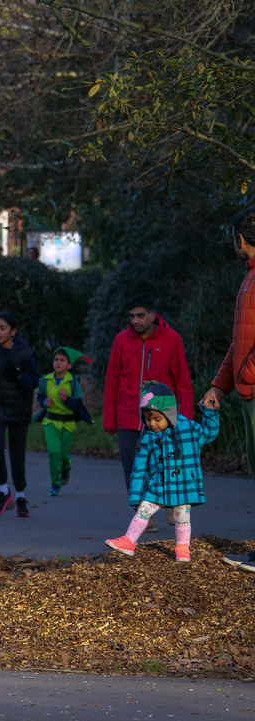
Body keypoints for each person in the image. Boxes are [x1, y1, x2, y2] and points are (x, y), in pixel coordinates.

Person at [103, 294, 194, 531]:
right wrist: (109, 419)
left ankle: (171, 504)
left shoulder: (172, 339)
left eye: (140, 315)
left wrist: (185, 419)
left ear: (153, 315)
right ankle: (144, 515)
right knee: (133, 469)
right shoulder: (121, 340)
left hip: (162, 416)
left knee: (166, 463)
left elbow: (183, 382)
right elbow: (112, 380)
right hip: (127, 416)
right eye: (132, 316)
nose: (135, 320)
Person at [105, 381, 219, 563]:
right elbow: (139, 469)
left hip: (183, 484)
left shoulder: (188, 429)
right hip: (157, 485)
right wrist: (136, 495)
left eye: (157, 419)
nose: (151, 423)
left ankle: (182, 547)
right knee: (143, 510)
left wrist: (210, 412)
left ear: (169, 414)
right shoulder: (147, 437)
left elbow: (209, 433)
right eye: (147, 418)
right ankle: (129, 541)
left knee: (182, 516)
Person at [205, 207, 255, 572]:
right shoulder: (249, 277)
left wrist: (247, 375)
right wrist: (219, 387)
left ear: (240, 238)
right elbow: (239, 343)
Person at [0, 312, 40, 517]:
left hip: (19, 408)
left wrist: (19, 375)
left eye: (2, 328)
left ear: (13, 331)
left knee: (17, 454)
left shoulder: (25, 352)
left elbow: (33, 381)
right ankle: (3, 491)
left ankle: (20, 495)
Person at [33, 347, 94, 497]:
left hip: (67, 423)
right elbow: (40, 396)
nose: (58, 363)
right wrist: (44, 402)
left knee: (63, 455)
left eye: (62, 360)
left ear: (69, 365)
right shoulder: (45, 380)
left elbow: (78, 403)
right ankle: (55, 484)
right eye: (56, 360)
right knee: (54, 452)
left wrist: (66, 399)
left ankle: (66, 467)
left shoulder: (73, 382)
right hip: (50, 421)